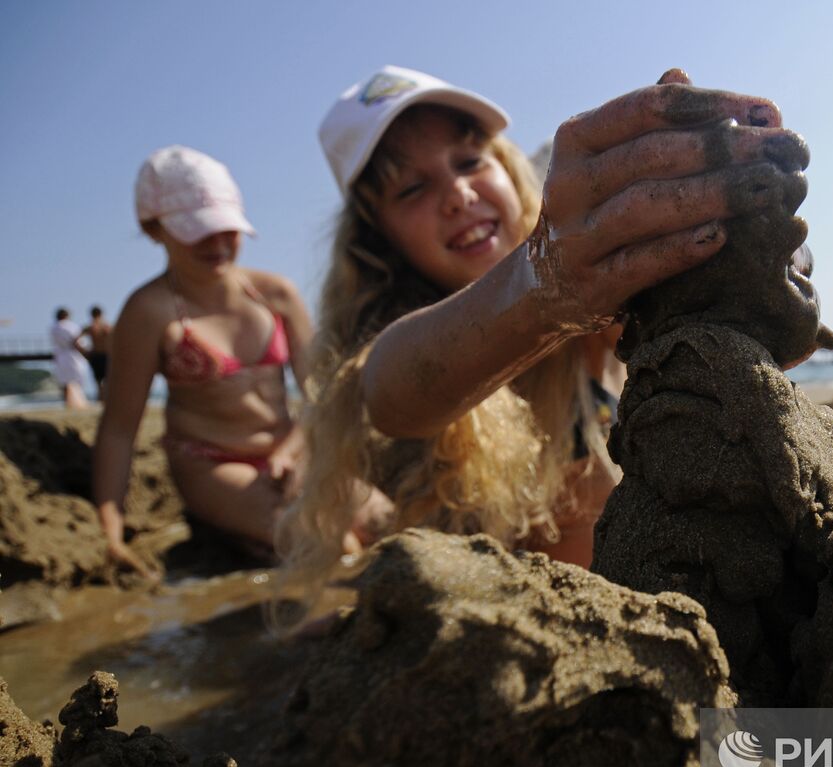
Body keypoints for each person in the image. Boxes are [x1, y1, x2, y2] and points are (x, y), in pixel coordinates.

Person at [280, 65, 805, 583]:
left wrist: (748, 250)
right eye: (412, 189)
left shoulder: (597, 282)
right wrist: (547, 286)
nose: (458, 195)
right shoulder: (398, 351)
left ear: (509, 170)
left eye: (469, 161)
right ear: (377, 241)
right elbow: (391, 393)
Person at [93, 146, 319, 576]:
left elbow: (319, 395)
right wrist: (110, 528)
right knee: (318, 542)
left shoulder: (276, 295)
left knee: (379, 522)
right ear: (153, 228)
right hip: (210, 463)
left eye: (226, 229)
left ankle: (245, 537)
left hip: (287, 453)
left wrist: (297, 447)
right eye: (197, 232)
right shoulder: (149, 311)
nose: (217, 244)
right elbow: (120, 428)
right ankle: (232, 531)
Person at [50, 307, 90, 409]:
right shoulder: (71, 326)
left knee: (64, 382)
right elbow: (77, 342)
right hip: (73, 356)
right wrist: (86, 352)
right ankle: (78, 403)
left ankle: (67, 402)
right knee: (77, 381)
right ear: (67, 316)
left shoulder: (53, 328)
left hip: (60, 356)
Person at [81, 305, 112, 397]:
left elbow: (75, 341)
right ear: (101, 314)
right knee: (108, 378)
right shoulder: (106, 326)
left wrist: (84, 352)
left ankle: (101, 398)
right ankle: (107, 398)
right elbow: (115, 339)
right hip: (106, 354)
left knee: (98, 380)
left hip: (94, 354)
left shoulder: (90, 327)